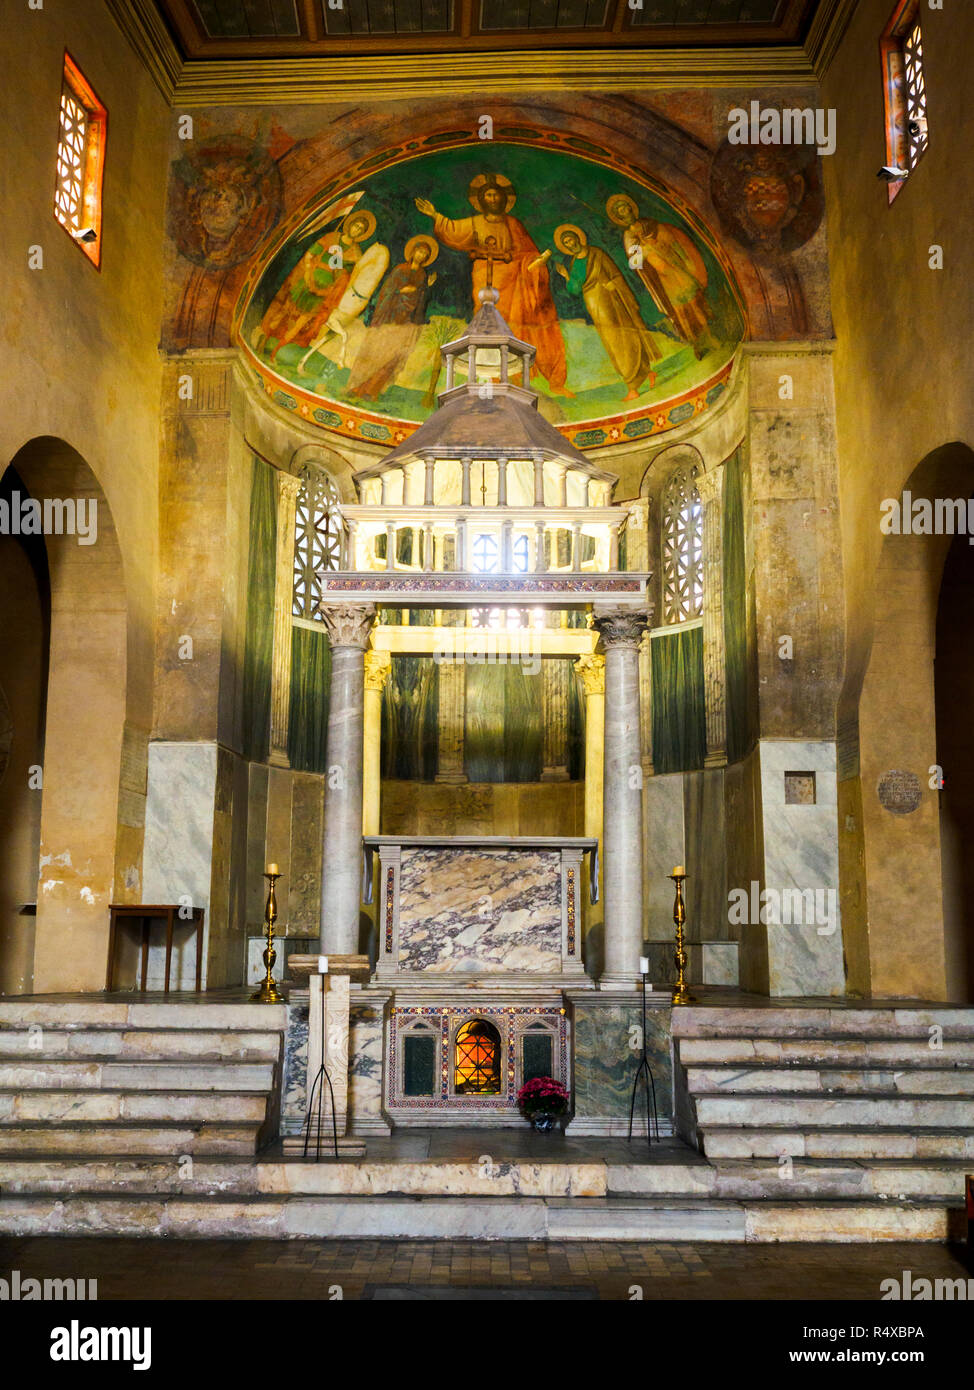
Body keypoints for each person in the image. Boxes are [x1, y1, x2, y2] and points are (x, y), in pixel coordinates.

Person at [414, 174, 571, 396]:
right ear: (481, 199)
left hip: (513, 278)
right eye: (488, 194)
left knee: (512, 321)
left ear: (504, 198)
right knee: (484, 320)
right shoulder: (475, 222)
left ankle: (514, 375)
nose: (493, 198)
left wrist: (535, 264)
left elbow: (528, 253)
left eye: (496, 194)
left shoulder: (513, 223)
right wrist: (435, 215)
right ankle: (488, 376)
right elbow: (454, 230)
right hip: (484, 275)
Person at [254, 209, 376, 361]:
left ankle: (276, 352)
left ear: (362, 234)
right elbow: (310, 254)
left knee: (301, 323)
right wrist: (307, 274)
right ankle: (263, 341)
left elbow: (345, 276)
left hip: (324, 292)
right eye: (355, 226)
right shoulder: (332, 237)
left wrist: (331, 289)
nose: (356, 230)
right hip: (307, 282)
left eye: (360, 230)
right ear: (350, 225)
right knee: (284, 312)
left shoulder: (355, 253)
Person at [553, 224, 659, 400]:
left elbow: (616, 274)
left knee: (623, 338)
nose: (570, 244)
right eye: (566, 243)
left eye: (571, 239)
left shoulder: (597, 253)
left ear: (578, 238)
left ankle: (633, 386)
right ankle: (645, 374)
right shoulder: (573, 263)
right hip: (594, 305)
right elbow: (575, 290)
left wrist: (613, 285)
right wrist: (566, 276)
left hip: (612, 301)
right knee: (613, 342)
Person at [606, 194, 714, 360]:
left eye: (626, 208)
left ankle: (711, 338)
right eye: (621, 211)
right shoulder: (629, 236)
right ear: (620, 217)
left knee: (695, 303)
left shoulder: (651, 224)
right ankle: (696, 346)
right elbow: (635, 263)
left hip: (676, 268)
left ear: (631, 209)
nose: (625, 212)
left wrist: (658, 243)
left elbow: (671, 240)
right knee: (681, 312)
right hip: (662, 278)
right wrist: (644, 250)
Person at [346, 235, 438, 402]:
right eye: (419, 251)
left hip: (405, 323)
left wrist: (426, 287)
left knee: (391, 359)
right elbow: (387, 292)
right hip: (389, 319)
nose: (421, 256)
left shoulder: (423, 275)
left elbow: (420, 298)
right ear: (413, 252)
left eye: (425, 254)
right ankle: (356, 387)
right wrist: (402, 292)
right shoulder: (400, 269)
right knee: (374, 353)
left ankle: (371, 391)